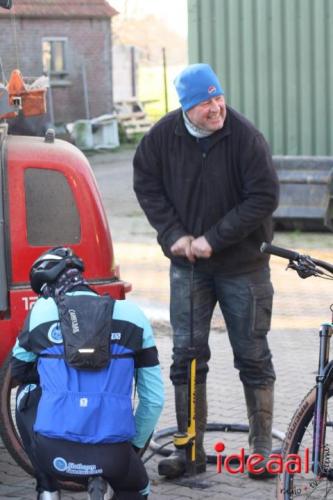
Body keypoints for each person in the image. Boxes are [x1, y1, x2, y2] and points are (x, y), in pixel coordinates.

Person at [133, 63, 279, 480]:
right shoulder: (163, 137)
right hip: (188, 268)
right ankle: (189, 450)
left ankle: (262, 449)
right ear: (185, 107)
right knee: (187, 358)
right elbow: (146, 183)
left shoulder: (245, 137)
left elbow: (263, 197)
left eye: (218, 97)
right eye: (204, 103)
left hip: (243, 267)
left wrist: (214, 238)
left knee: (252, 356)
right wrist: (173, 234)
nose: (216, 108)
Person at [11, 247, 164, 499]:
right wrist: (131, 449)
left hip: (54, 455)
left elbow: (18, 369)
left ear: (47, 288)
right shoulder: (133, 316)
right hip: (115, 455)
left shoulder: (40, 312)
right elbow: (154, 400)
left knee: (25, 393)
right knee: (136, 487)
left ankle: (48, 488)